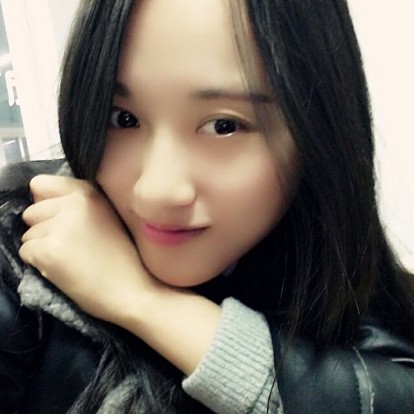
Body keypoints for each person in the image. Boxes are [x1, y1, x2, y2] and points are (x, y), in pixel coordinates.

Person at [1, 0, 413, 412]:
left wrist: (145, 301)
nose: (155, 191)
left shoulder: (343, 276)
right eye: (122, 118)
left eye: (224, 125)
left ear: (318, 134)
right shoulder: (19, 247)